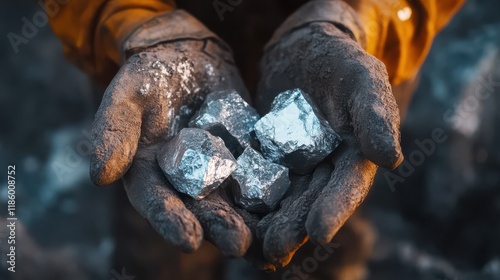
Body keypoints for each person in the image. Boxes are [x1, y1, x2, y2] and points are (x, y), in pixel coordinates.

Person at [48, 0, 465, 279]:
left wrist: (360, 16)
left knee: (331, 216)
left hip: (344, 62)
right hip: (154, 65)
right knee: (160, 243)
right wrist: (127, 18)